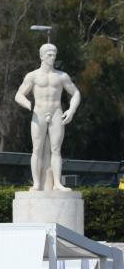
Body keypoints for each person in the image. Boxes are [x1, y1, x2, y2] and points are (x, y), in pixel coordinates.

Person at [15, 43, 81, 191]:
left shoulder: (62, 76)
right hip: (38, 113)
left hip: (56, 112)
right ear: (41, 56)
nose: (52, 57)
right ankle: (37, 183)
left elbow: (76, 93)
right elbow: (18, 95)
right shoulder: (32, 76)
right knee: (37, 149)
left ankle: (57, 182)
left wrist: (71, 110)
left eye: (54, 55)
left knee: (56, 149)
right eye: (49, 55)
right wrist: (29, 105)